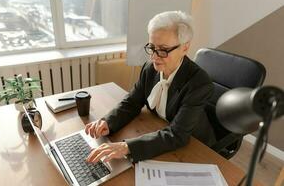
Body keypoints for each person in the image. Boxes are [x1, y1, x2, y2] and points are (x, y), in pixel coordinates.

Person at [85, 11, 216, 163]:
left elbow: (178, 135)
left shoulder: (199, 83)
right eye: (152, 47)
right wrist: (108, 122)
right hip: (160, 130)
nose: (154, 56)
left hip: (196, 147)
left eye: (163, 49)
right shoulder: (150, 68)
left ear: (185, 48)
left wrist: (127, 147)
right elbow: (133, 102)